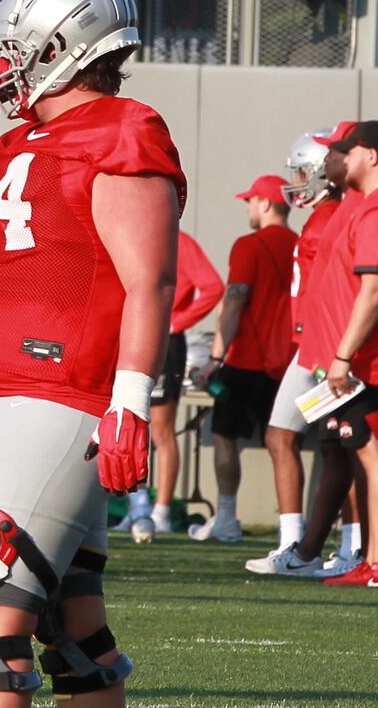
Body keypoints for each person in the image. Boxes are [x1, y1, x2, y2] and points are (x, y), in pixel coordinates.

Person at [0, 0, 184, 705]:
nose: (4, 59)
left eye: (18, 44)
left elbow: (150, 280)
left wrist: (132, 400)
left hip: (59, 395)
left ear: (62, 45)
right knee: (72, 629)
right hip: (12, 393)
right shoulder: (32, 136)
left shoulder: (122, 130)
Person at [298, 120, 378, 588]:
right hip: (373, 357)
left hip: (377, 359)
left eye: (348, 152)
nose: (340, 161)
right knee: (370, 453)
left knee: (376, 455)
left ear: (371, 155)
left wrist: (342, 357)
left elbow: (374, 289)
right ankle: (376, 561)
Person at [246, 131, 363, 576]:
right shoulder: (322, 215)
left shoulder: (332, 215)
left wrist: (333, 347)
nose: (295, 181)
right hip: (312, 344)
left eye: (300, 172)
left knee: (340, 446)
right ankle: (296, 541)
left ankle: (346, 547)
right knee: (291, 437)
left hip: (325, 347)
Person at [188, 175, 297, 544]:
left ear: (265, 204)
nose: (248, 208)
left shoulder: (250, 246)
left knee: (223, 437)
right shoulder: (301, 246)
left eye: (251, 201)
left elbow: (234, 303)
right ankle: (293, 529)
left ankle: (228, 518)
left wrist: (215, 357)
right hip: (291, 363)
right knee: (285, 444)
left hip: (247, 360)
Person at [123, 230, 221, 540]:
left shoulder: (178, 240)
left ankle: (161, 512)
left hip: (165, 342)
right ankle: (137, 510)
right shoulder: (125, 233)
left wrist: (177, 322)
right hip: (131, 337)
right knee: (128, 423)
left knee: (162, 430)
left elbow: (212, 287)